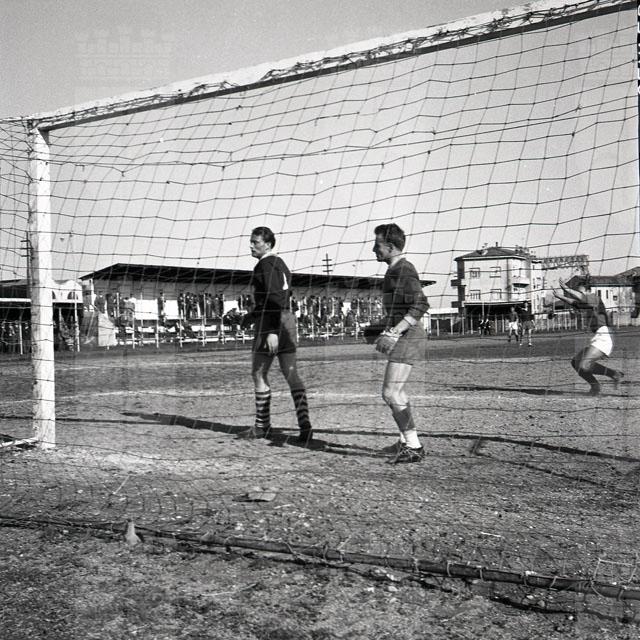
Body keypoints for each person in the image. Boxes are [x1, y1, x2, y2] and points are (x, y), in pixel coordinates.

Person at [239, 226, 312, 444]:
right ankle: (305, 426)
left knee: (258, 373)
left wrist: (271, 330)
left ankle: (262, 426)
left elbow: (273, 298)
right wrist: (251, 316)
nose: (251, 246)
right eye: (251, 241)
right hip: (287, 320)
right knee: (291, 374)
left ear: (268, 244)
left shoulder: (265, 264)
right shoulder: (280, 264)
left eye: (255, 242)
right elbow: (279, 297)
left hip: (272, 321)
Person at [372, 223, 430, 463]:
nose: (373, 249)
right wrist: (381, 328)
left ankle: (414, 447)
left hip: (410, 336)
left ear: (390, 247)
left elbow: (421, 304)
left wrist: (394, 332)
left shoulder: (403, 269)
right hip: (406, 335)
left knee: (390, 393)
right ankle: (405, 442)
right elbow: (401, 309)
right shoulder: (393, 271)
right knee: (398, 392)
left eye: (377, 244)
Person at [553, 278, 624, 396]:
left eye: (581, 292)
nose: (579, 295)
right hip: (598, 336)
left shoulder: (594, 298)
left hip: (605, 336)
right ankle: (599, 384)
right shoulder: (587, 304)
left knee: (583, 365)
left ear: (588, 291)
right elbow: (575, 302)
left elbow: (580, 298)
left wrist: (567, 289)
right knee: (575, 363)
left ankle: (611, 376)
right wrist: (560, 296)